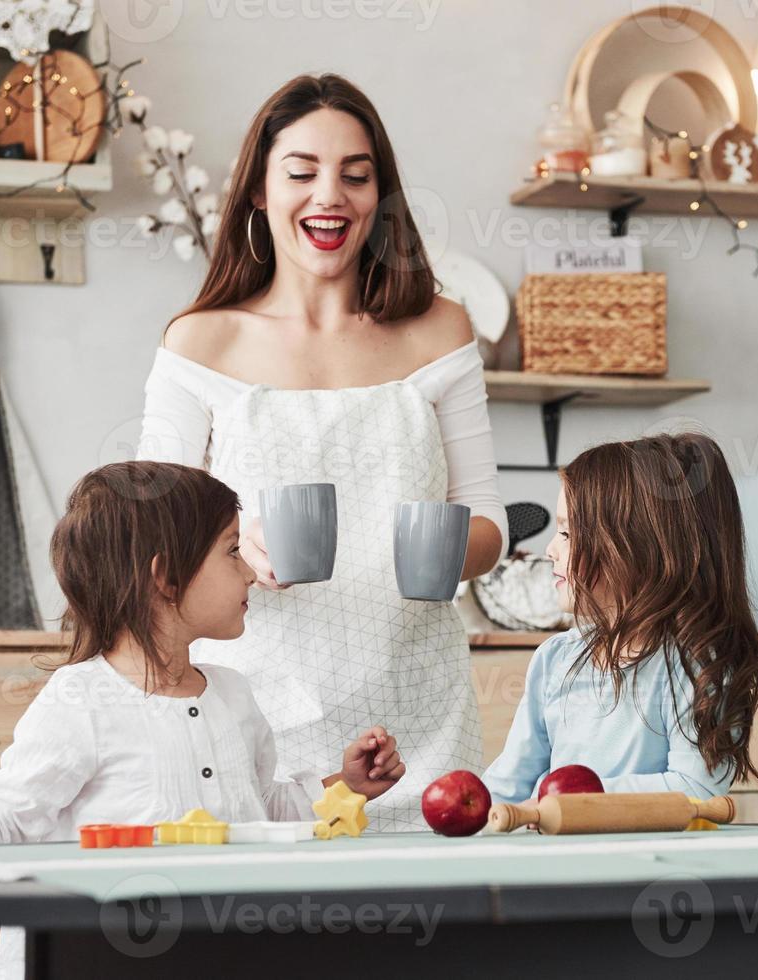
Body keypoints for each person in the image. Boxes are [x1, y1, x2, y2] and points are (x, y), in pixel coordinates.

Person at [0, 461, 404, 978]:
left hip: (220, 956)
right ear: (166, 577)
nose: (249, 570)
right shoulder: (81, 700)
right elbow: (3, 814)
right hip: (96, 962)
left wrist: (347, 787)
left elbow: (263, 812)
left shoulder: (235, 695)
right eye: (232, 550)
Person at [138, 74, 506, 829]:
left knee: (427, 940)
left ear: (381, 196)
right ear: (260, 195)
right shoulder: (200, 341)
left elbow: (488, 525)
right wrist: (236, 547)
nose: (329, 195)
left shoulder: (440, 331)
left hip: (420, 725)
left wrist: (440, 550)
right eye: (301, 173)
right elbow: (150, 529)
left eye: (355, 175)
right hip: (255, 722)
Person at [483, 434, 758, 803]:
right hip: (562, 859)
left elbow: (696, 788)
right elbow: (510, 785)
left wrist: (578, 798)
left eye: (567, 533)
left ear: (638, 548)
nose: (550, 550)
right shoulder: (555, 659)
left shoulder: (694, 663)